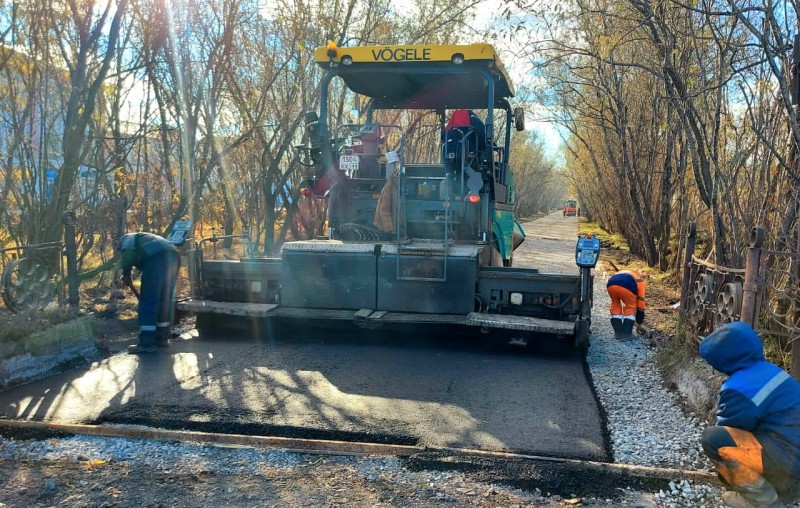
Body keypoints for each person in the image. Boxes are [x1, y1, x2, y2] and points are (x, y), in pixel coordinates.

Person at [699, 321, 800, 508]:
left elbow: (730, 429)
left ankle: (763, 500)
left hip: (789, 458)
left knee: (714, 439)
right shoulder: (771, 370)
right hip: (792, 449)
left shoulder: (739, 388)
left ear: (722, 361)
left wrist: (727, 475)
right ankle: (788, 486)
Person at [117, 232, 180, 354]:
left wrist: (126, 273)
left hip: (157, 258)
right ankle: (162, 338)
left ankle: (147, 343)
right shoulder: (147, 239)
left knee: (148, 301)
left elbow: (128, 253)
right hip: (174, 257)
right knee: (164, 299)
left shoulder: (127, 238)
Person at [606, 269, 646, 340]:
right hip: (627, 287)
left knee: (615, 304)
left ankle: (618, 333)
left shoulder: (627, 273)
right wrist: (639, 323)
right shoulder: (640, 282)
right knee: (630, 307)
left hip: (611, 284)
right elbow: (641, 303)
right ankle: (626, 334)